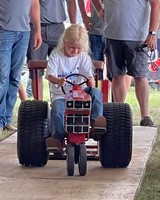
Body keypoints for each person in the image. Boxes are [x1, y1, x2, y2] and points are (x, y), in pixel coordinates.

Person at [92, 0, 160, 126]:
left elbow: (156, 4)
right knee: (117, 76)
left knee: (140, 76)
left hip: (138, 36)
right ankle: (119, 114)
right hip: (112, 35)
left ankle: (145, 116)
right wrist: (98, 8)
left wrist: (152, 33)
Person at [45, 24, 104, 153]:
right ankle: (58, 139)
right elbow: (50, 75)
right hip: (62, 94)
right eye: (72, 47)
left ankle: (96, 123)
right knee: (57, 111)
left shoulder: (84, 57)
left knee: (96, 92)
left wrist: (90, 82)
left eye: (79, 48)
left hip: (81, 92)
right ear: (64, 42)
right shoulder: (56, 55)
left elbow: (89, 79)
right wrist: (58, 80)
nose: (75, 51)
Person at [0, 0, 42, 133]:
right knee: (1, 77)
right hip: (3, 30)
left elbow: (34, 4)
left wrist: (37, 30)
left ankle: (7, 118)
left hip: (24, 32)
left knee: (14, 77)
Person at [27, 0, 77, 100]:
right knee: (36, 70)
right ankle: (39, 107)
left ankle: (61, 104)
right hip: (36, 27)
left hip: (58, 27)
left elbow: (71, 2)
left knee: (63, 68)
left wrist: (73, 26)